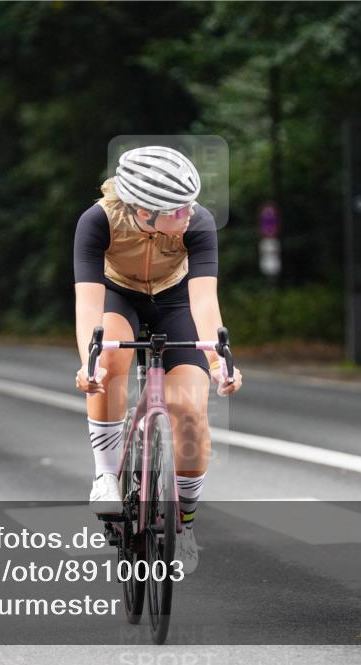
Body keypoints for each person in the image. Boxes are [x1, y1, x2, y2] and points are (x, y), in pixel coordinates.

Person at [73, 146, 243, 572]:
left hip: (175, 299)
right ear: (142, 210)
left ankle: (183, 522)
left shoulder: (197, 222)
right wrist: (88, 363)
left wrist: (220, 362)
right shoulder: (97, 222)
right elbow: (88, 305)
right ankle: (106, 476)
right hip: (119, 296)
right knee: (110, 365)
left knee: (189, 407)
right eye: (175, 208)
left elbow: (204, 301)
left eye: (189, 202)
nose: (188, 211)